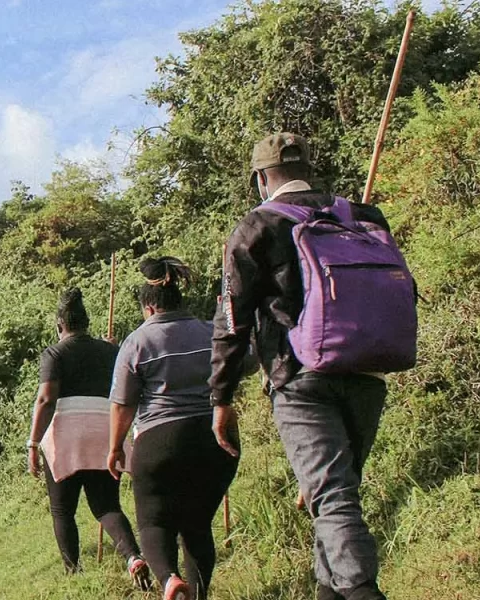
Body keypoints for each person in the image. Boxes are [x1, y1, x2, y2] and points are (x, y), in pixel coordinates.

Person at [210, 133, 399, 600]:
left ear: (260, 179)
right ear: (310, 169)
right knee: (332, 495)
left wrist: (221, 396)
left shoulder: (256, 227)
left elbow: (232, 320)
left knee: (332, 496)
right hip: (369, 369)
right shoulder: (362, 216)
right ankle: (328, 590)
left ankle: (361, 591)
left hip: (299, 379)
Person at [107, 257, 238, 600]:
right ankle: (198, 595)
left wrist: (115, 446)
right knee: (196, 526)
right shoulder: (212, 332)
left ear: (148, 307)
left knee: (154, 522)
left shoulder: (136, 343)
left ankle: (168, 580)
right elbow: (244, 362)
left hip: (159, 441)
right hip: (216, 440)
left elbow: (123, 404)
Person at [26, 288, 151, 588]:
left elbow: (46, 400)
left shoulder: (54, 353)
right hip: (105, 431)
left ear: (59, 326)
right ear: (86, 322)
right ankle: (133, 557)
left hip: (66, 435)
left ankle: (73, 573)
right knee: (106, 504)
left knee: (62, 510)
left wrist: (32, 443)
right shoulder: (111, 351)